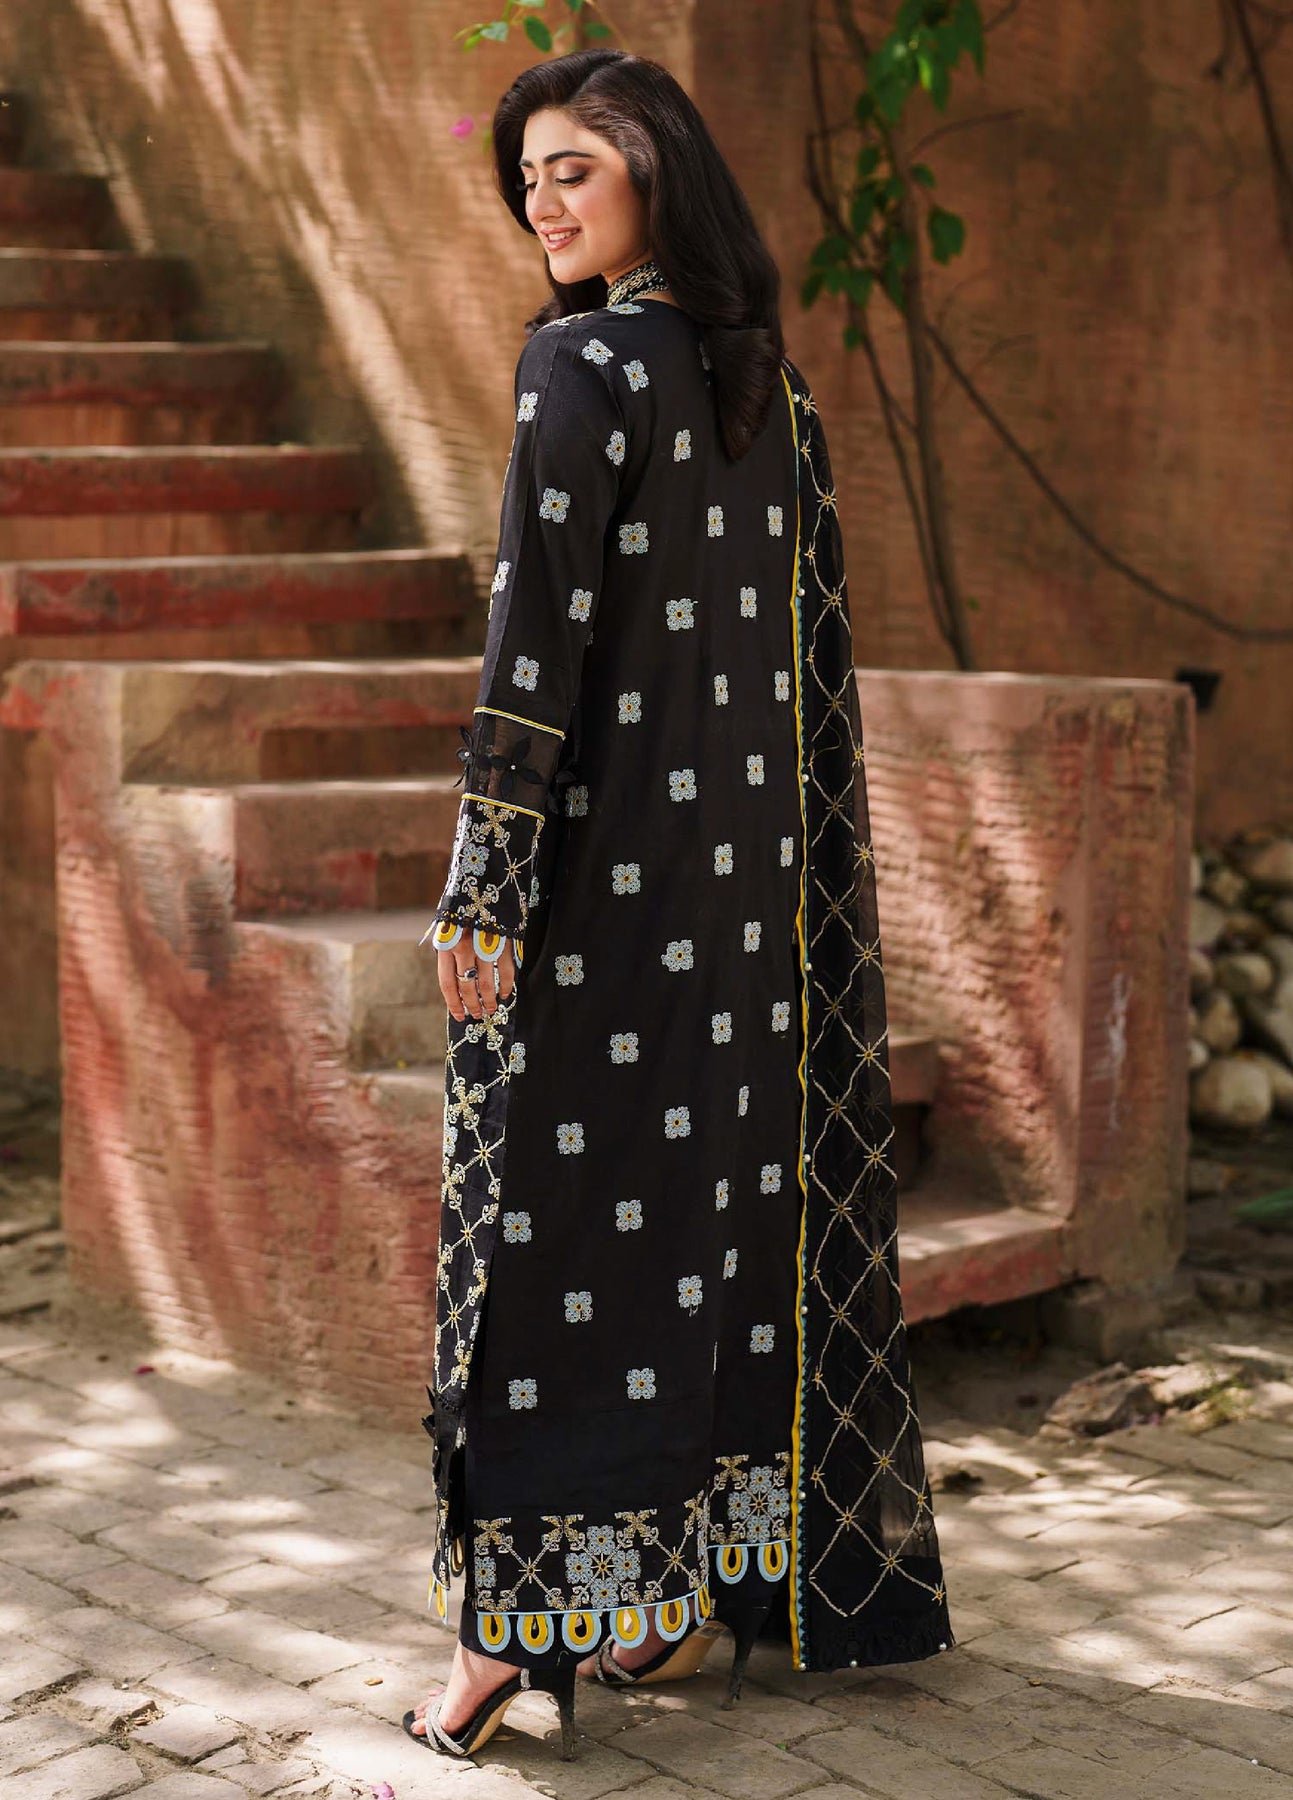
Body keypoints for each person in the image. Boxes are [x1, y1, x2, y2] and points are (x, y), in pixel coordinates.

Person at [402, 46, 952, 1764]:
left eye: (571, 168)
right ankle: (652, 1605)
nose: (540, 203)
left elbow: (535, 639)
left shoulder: (576, 368)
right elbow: (807, 689)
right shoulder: (764, 389)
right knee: (704, 1236)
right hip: (744, 917)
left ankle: (508, 1638)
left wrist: (485, 886)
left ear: (656, 170)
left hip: (593, 896)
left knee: (540, 1241)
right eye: (526, 179)